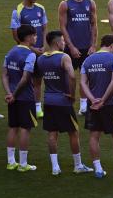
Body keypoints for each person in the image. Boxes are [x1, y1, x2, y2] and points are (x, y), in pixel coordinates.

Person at [37, 31, 91, 175]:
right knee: (73, 132)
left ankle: (55, 167)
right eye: (62, 40)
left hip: (48, 100)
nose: (64, 43)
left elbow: (37, 79)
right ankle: (78, 165)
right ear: (56, 43)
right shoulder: (64, 57)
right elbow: (72, 76)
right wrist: (72, 95)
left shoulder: (41, 58)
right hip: (63, 101)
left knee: (52, 133)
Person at [80, 35, 113, 178]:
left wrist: (93, 99)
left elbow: (82, 83)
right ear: (112, 45)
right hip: (109, 104)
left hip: (92, 104)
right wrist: (103, 100)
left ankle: (98, 169)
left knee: (94, 136)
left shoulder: (88, 60)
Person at [58, 0, 98, 115]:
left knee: (86, 76)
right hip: (71, 47)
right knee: (69, 77)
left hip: (86, 47)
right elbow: (63, 27)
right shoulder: (65, 4)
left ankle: (83, 107)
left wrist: (93, 45)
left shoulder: (90, 3)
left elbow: (94, 25)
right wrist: (71, 46)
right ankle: (67, 103)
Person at [2, 24, 38, 172]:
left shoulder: (11, 52)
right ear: (28, 37)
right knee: (25, 129)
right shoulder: (30, 55)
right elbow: (25, 78)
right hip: (25, 97)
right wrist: (15, 94)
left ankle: (11, 162)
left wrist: (9, 93)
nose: (36, 38)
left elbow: (4, 74)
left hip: (12, 98)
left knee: (13, 128)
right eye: (35, 35)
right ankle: (23, 164)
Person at [10, 0, 48, 118]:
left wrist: (44, 45)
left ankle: (37, 108)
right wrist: (31, 48)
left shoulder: (41, 9)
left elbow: (44, 28)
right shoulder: (18, 11)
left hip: (40, 51)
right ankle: (22, 105)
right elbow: (16, 34)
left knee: (38, 79)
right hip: (25, 52)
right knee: (24, 79)